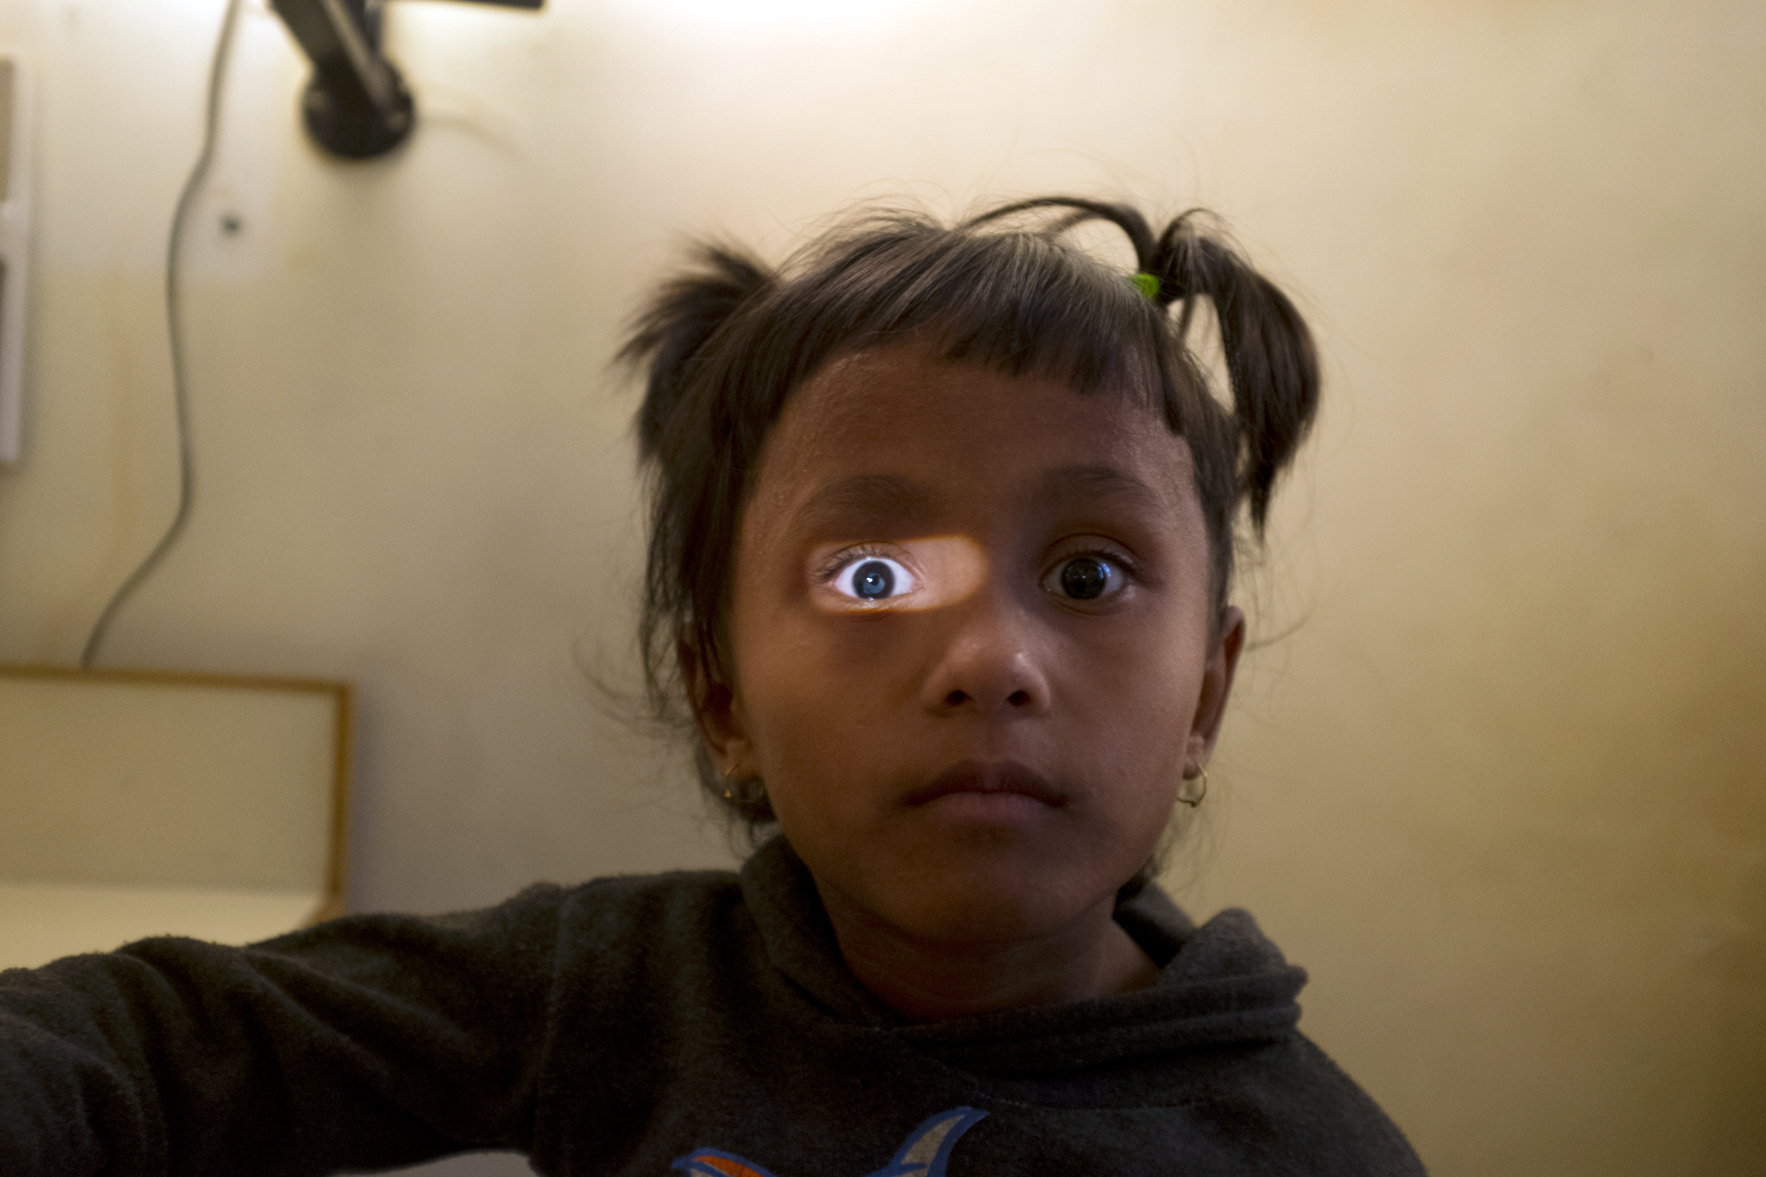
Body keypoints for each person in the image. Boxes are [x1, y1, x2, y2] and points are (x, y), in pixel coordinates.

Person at [0, 196, 1426, 1176]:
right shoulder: (613, 992)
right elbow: (168, 1041)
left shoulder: (1298, 1146)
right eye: (869, 575)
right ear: (721, 692)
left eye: (1089, 576)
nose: (989, 658)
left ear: (1203, 700)